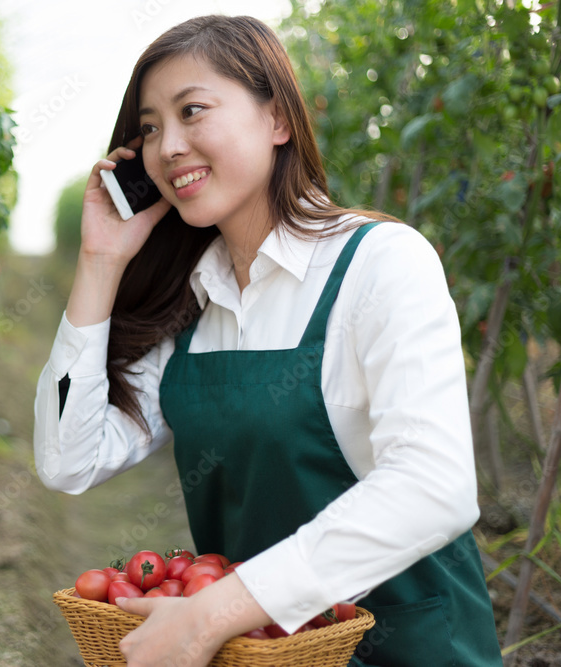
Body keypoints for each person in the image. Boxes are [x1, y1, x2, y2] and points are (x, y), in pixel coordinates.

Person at [33, 14, 502, 667]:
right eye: (149, 127)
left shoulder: (380, 265)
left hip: (411, 649)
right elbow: (69, 459)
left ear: (277, 120)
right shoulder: (189, 306)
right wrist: (101, 261)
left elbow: (434, 483)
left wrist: (212, 612)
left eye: (192, 110)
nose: (166, 145)